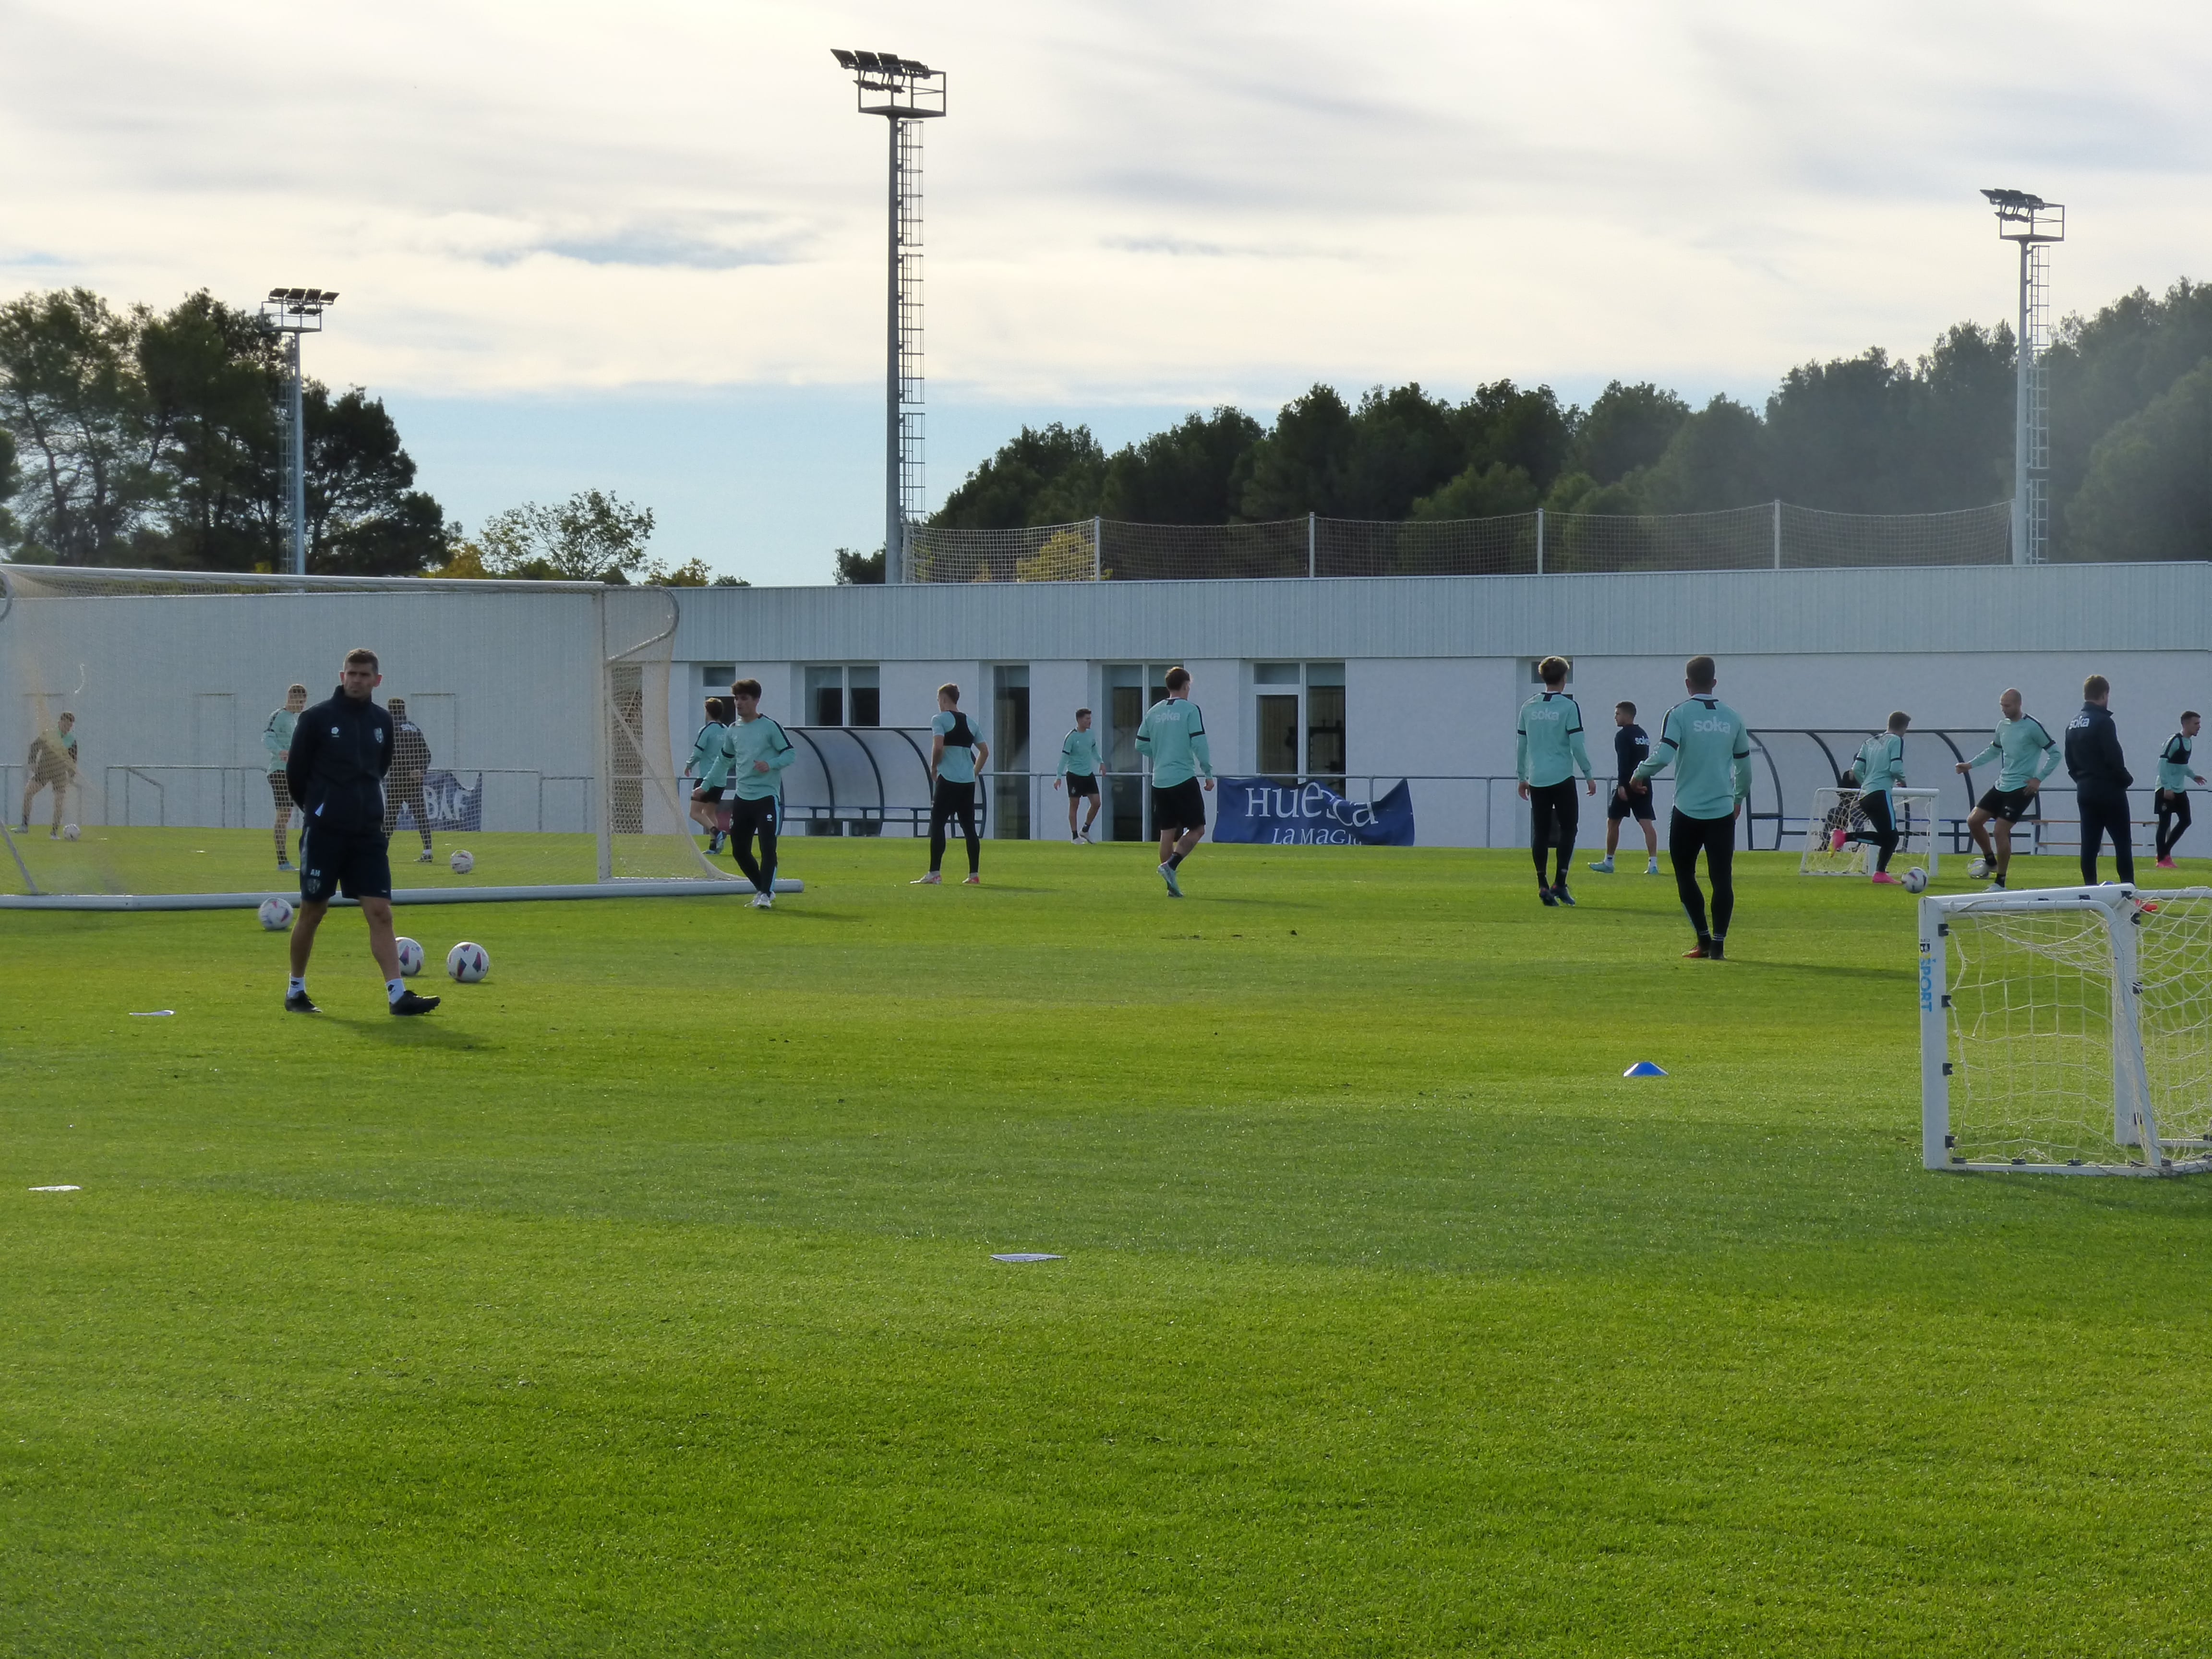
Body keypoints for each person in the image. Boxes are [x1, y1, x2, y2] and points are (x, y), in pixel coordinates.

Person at [282, 648, 440, 1016]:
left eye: (364, 675)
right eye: (351, 674)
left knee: (381, 912)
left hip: (368, 833)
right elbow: (296, 775)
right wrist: (319, 810)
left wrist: (364, 808)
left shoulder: (383, 721)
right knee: (313, 911)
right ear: (343, 676)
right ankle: (296, 990)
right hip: (325, 833)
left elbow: (379, 768)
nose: (357, 680)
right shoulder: (316, 718)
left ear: (377, 680)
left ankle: (397, 996)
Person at [1633, 654, 1752, 960]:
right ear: (1714, 682)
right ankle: (1719, 945)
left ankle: (1703, 939)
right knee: (1722, 878)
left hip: (1687, 810)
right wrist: (1738, 798)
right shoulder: (1733, 717)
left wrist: (1639, 773)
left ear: (1687, 683)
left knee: (1685, 875)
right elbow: (1745, 768)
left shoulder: (1679, 714)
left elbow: (1663, 756)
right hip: (1722, 810)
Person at [1954, 688, 2061, 892]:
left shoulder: (2032, 727)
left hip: (2022, 788)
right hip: (2002, 784)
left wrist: (2038, 779)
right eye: (2002, 705)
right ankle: (1990, 862)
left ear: (2019, 704)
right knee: (1974, 821)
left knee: (2000, 831)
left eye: (2007, 705)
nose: (2004, 709)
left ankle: (2000, 882)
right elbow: (1994, 750)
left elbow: (2055, 754)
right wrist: (1970, 765)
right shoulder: (2002, 726)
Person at [1515, 656, 1596, 905]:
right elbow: (1577, 745)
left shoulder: (1528, 706)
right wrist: (1588, 774)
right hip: (1562, 776)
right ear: (1564, 678)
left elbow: (1522, 745)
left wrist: (1522, 777)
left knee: (1540, 831)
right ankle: (1560, 882)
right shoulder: (1569, 707)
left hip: (1537, 777)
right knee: (1569, 828)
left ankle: (1542, 884)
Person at [1136, 666, 1214, 898]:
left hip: (1159, 779)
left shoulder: (1154, 711)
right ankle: (1171, 865)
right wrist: (1208, 772)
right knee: (1198, 828)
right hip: (1182, 777)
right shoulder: (1190, 710)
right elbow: (1199, 743)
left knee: (1167, 833)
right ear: (1186, 685)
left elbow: (1140, 744)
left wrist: (1161, 752)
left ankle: (1171, 887)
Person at [726, 678, 795, 907]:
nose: (739, 703)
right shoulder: (733, 730)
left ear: (756, 700)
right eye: (736, 699)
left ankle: (765, 894)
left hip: (766, 798)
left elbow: (790, 754)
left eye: (744, 699)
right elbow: (724, 759)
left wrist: (770, 764)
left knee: (767, 847)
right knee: (739, 851)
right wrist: (706, 785)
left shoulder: (770, 727)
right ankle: (763, 889)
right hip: (742, 798)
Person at [2065, 673, 2135, 887]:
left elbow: (2070, 760)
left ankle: (2090, 890)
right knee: (2122, 843)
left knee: (2089, 845)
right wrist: (2125, 779)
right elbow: (2114, 757)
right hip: (2109, 790)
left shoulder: (2073, 724)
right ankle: (2128, 890)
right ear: (2105, 694)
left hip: (2085, 789)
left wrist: (2081, 780)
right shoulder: (2104, 722)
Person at [916, 684, 987, 886]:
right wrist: (974, 772)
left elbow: (938, 746)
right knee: (969, 828)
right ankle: (974, 875)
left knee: (938, 823)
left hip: (948, 779)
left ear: (944, 699)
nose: (939, 704)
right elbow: (985, 752)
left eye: (939, 700)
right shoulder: (972, 722)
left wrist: (934, 767)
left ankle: (935, 873)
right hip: (967, 782)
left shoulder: (939, 720)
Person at [1839, 711, 1911, 884]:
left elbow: (1856, 770)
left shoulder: (1869, 742)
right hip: (1880, 793)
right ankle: (1878, 872)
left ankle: (1879, 873)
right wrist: (1903, 780)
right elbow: (1895, 768)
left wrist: (1867, 784)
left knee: (1888, 838)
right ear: (1904, 727)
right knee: (1892, 837)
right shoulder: (1896, 740)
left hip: (1865, 796)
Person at [1590, 701, 1659, 877]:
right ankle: (1653, 865)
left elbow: (1624, 761)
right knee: (1647, 823)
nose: (1615, 717)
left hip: (1628, 783)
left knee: (1613, 821)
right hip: (1644, 781)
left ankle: (1609, 862)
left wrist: (1622, 785)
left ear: (1627, 715)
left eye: (1618, 714)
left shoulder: (1622, 735)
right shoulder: (1642, 734)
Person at [380, 696, 436, 863]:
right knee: (421, 815)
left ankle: (380, 852)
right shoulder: (414, 728)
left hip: (398, 779)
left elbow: (397, 752)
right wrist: (420, 770)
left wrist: (409, 769)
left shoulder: (391, 727)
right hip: (415, 781)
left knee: (391, 817)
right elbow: (426, 753)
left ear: (390, 710)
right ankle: (428, 851)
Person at [264, 684, 308, 870]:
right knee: (284, 814)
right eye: (300, 702)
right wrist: (280, 751)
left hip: (294, 772)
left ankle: (308, 854)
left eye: (304, 702)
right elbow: (267, 737)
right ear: (290, 699)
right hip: (280, 771)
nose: (302, 706)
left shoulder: (294, 720)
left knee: (309, 810)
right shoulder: (279, 716)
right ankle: (282, 861)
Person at [2154, 710, 2204, 869]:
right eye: (2196, 724)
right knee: (2165, 824)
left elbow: (2182, 765)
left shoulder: (2188, 743)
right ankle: (2162, 859)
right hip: (2166, 788)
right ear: (2186, 724)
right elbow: (2162, 764)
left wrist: (2193, 776)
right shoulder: (2174, 741)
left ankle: (2164, 853)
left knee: (2186, 820)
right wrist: (2167, 788)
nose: (2199, 727)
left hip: (2179, 789)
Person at [686, 696, 735, 853]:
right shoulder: (727, 731)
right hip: (721, 780)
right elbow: (733, 755)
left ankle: (717, 833)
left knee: (695, 813)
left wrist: (689, 765)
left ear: (707, 712)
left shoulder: (706, 730)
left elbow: (698, 752)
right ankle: (714, 847)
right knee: (709, 812)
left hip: (706, 778)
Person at [19, 711, 78, 838]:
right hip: (44, 770)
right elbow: (34, 747)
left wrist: (71, 776)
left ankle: (54, 832)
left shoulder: (71, 741)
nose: (67, 728)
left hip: (60, 773)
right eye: (65, 725)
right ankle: (24, 825)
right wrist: (32, 762)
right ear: (60, 723)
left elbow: (73, 761)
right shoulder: (49, 734)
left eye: (70, 726)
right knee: (28, 793)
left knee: (59, 802)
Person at [1055, 707, 1105, 842]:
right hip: (1074, 775)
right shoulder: (1071, 737)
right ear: (1080, 720)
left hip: (1088, 774)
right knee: (1074, 804)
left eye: (1090, 718)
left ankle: (1085, 830)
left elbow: (1094, 751)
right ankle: (1075, 836)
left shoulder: (1091, 734)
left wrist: (1101, 762)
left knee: (1097, 803)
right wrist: (1059, 777)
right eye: (1087, 719)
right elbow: (1064, 758)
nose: (1090, 721)